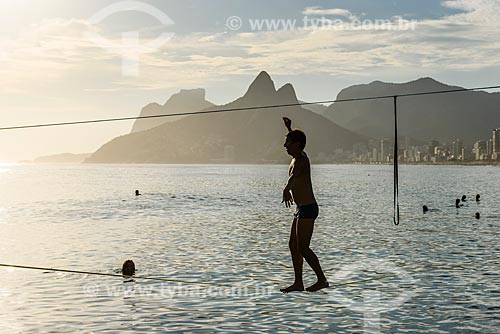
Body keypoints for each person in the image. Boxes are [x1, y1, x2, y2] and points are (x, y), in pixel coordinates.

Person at [280, 117, 328, 293]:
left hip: (308, 208)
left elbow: (294, 177)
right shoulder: (298, 156)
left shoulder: (301, 161)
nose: (285, 145)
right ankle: (298, 282)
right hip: (300, 208)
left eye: (288, 142)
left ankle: (322, 280)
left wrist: (286, 189)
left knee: (303, 247)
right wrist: (289, 128)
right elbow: (299, 141)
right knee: (293, 245)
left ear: (297, 144)